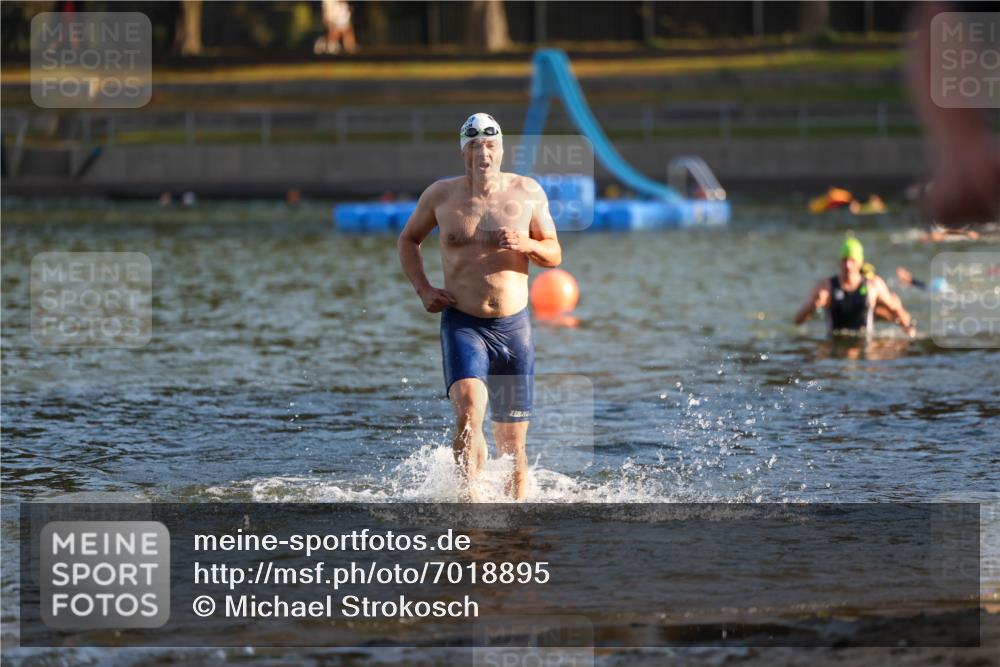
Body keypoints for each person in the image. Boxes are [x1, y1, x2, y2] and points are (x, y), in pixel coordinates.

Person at [397, 113, 562, 501]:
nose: (482, 153)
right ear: (463, 153)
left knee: (512, 442)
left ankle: (515, 526)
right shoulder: (440, 195)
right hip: (463, 324)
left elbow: (554, 253)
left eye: (490, 145)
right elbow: (408, 240)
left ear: (501, 150)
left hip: (513, 330)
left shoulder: (528, 192)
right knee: (470, 411)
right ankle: (469, 508)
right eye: (473, 146)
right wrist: (423, 290)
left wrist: (527, 245)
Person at [794, 237, 916, 337]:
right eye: (844, 260)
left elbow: (896, 309)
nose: (847, 265)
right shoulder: (826, 287)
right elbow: (797, 321)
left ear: (860, 262)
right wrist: (812, 306)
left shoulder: (873, 286)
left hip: (865, 343)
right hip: (835, 346)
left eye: (852, 260)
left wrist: (910, 331)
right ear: (839, 262)